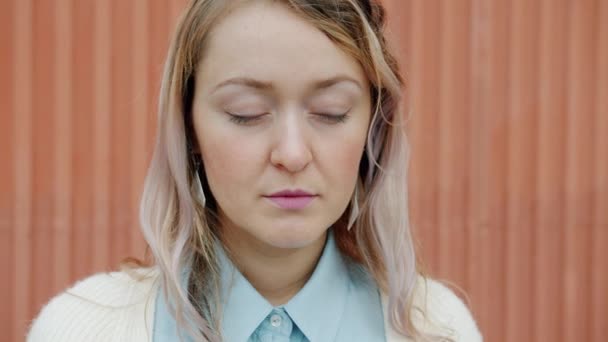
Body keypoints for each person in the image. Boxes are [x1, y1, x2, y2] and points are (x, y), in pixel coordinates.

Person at [27, 0, 482, 341]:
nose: (291, 153)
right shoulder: (80, 328)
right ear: (188, 130)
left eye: (330, 111)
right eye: (246, 113)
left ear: (373, 127)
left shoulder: (439, 328)